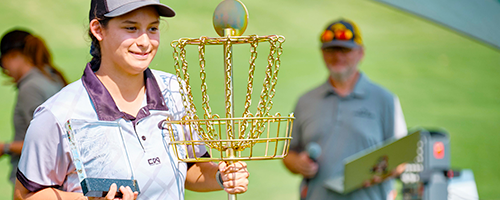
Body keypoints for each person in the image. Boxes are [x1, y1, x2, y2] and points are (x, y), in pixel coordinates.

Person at [14, 0, 249, 199]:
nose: (145, 42)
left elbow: (190, 168)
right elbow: (26, 194)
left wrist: (220, 176)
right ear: (98, 30)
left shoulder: (174, 90)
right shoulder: (58, 113)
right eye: (131, 28)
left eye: (153, 29)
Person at [282, 19, 407, 200]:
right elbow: (288, 154)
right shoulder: (305, 101)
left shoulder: (385, 100)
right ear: (322, 53)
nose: (337, 56)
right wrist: (297, 164)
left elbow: (401, 158)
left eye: (345, 49)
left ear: (361, 53)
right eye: (330, 49)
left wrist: (382, 172)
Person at [0, 29, 67, 186]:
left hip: (35, 181)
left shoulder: (30, 87)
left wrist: (5, 147)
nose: (5, 70)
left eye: (4, 63)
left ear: (14, 56)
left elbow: (43, 143)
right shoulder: (50, 76)